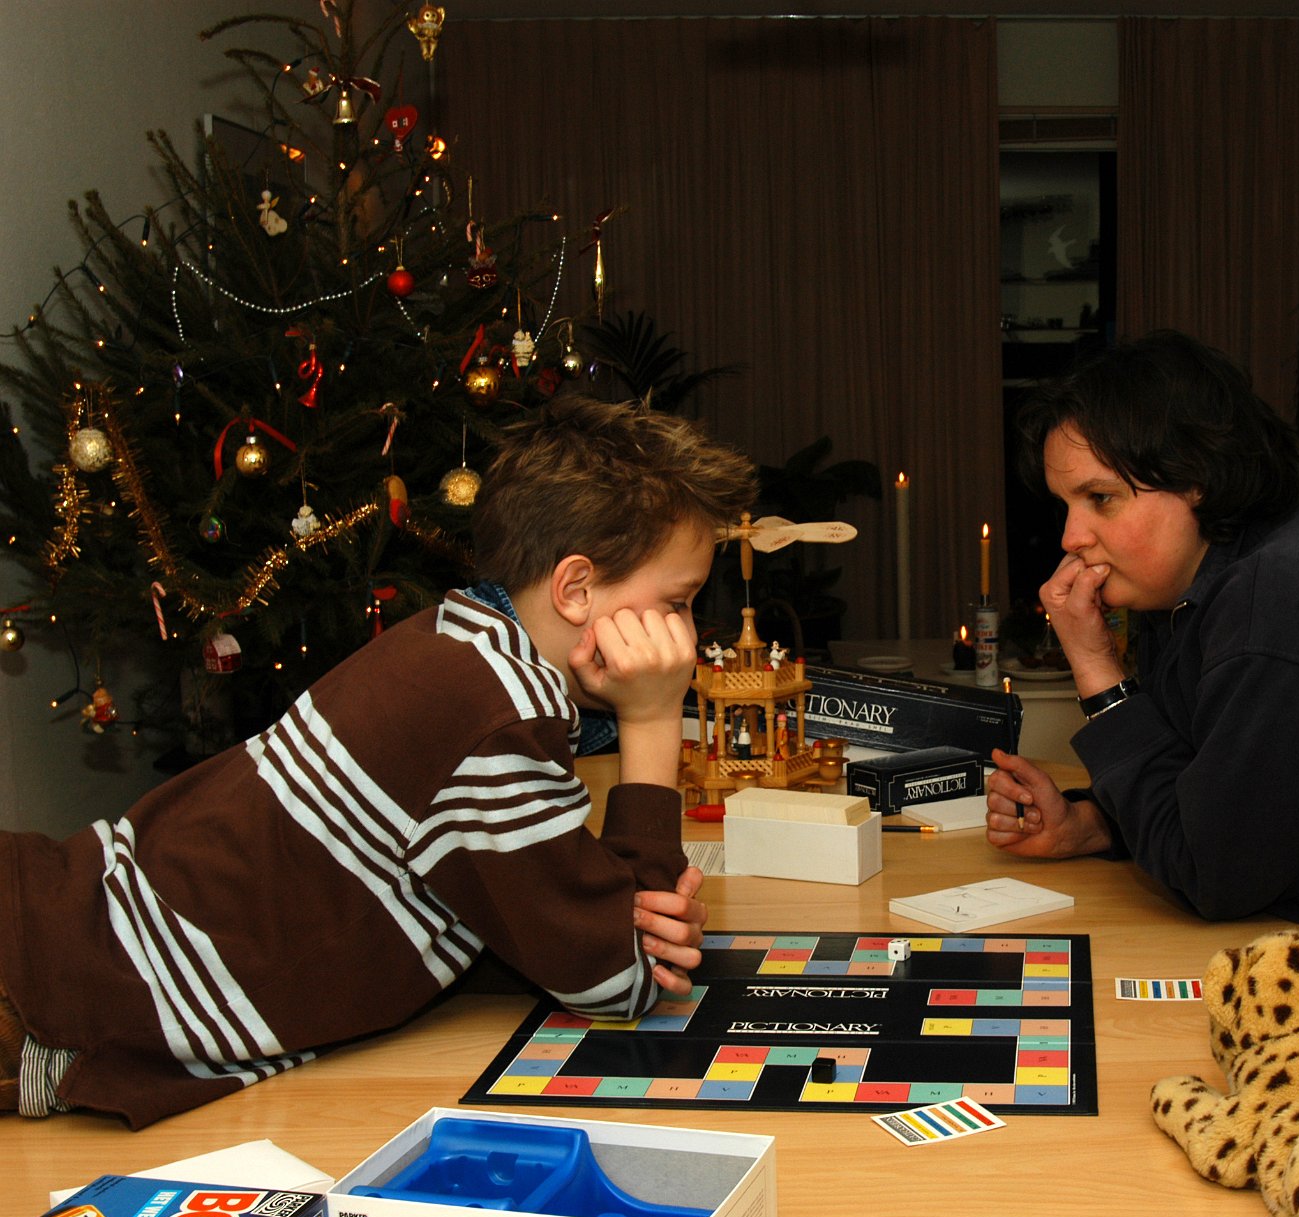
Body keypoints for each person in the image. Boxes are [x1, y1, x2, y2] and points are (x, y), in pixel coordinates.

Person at [0, 395, 759, 1127]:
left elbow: (520, 917)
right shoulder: (501, 717)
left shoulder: (458, 639)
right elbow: (624, 979)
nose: (690, 635)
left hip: (54, 913)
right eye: (679, 601)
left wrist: (600, 910)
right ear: (576, 588)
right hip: (58, 993)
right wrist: (652, 715)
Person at [983, 329, 1299, 1038]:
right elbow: (1210, 787)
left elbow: (1211, 873)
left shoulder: (1290, 599)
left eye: (1101, 498)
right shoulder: (1199, 580)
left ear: (1197, 478)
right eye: (1068, 504)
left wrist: (1095, 667)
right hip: (1297, 956)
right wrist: (1092, 824)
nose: (1071, 537)